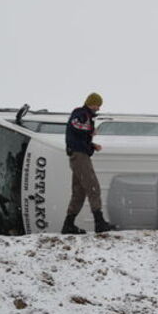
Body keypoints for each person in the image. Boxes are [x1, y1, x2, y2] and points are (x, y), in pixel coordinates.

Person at [62, 93, 116, 234]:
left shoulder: (86, 116)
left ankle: (68, 225)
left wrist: (92, 145)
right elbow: (75, 125)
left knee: (79, 192)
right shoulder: (81, 113)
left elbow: (78, 137)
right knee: (93, 187)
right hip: (79, 156)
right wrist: (91, 130)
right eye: (97, 105)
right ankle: (99, 223)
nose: (98, 108)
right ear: (91, 103)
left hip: (79, 154)